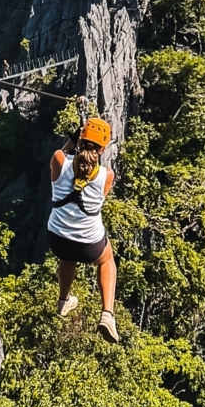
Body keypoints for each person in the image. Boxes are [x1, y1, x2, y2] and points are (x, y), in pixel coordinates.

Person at [48, 115, 119, 343]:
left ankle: (63, 300)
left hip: (57, 239)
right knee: (107, 260)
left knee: (67, 257)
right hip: (90, 245)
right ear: (103, 149)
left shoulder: (59, 160)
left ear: (81, 139)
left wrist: (72, 140)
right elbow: (89, 175)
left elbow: (63, 156)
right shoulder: (107, 176)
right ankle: (107, 314)